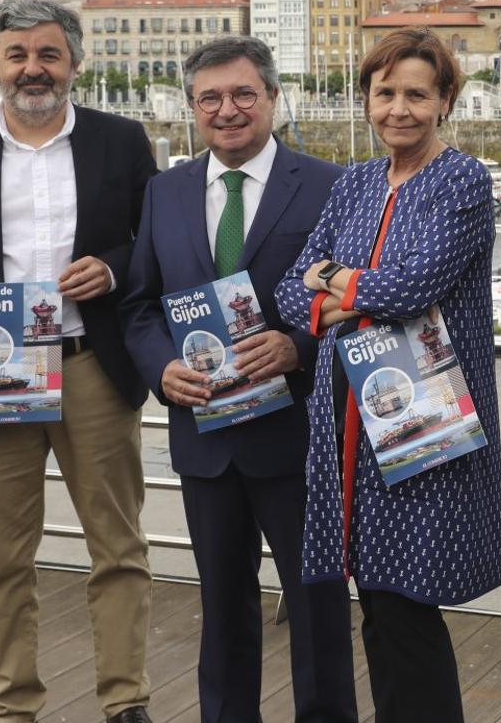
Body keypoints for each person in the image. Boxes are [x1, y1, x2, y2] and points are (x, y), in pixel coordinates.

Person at [0, 0, 156, 723]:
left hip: (92, 366)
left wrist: (113, 267)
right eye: (16, 54)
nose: (33, 68)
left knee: (119, 548)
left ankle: (126, 701)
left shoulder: (121, 140)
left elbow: (156, 239)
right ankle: (12, 707)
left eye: (48, 53)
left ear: (75, 62)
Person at [274, 27, 501, 723]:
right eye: (385, 94)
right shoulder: (353, 183)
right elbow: (292, 292)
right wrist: (342, 292)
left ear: (444, 103)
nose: (398, 109)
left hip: (422, 413)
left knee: (408, 602)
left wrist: (335, 283)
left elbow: (413, 286)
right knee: (373, 596)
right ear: (367, 101)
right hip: (345, 415)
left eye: (416, 94)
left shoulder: (461, 179)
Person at [120, 36, 357, 722]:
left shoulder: (330, 185)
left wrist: (298, 345)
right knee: (221, 613)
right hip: (205, 439)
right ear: (192, 108)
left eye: (244, 93)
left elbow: (355, 303)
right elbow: (138, 304)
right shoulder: (163, 192)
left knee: (317, 612)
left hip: (299, 439)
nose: (228, 110)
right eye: (211, 98)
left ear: (273, 99)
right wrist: (160, 367)